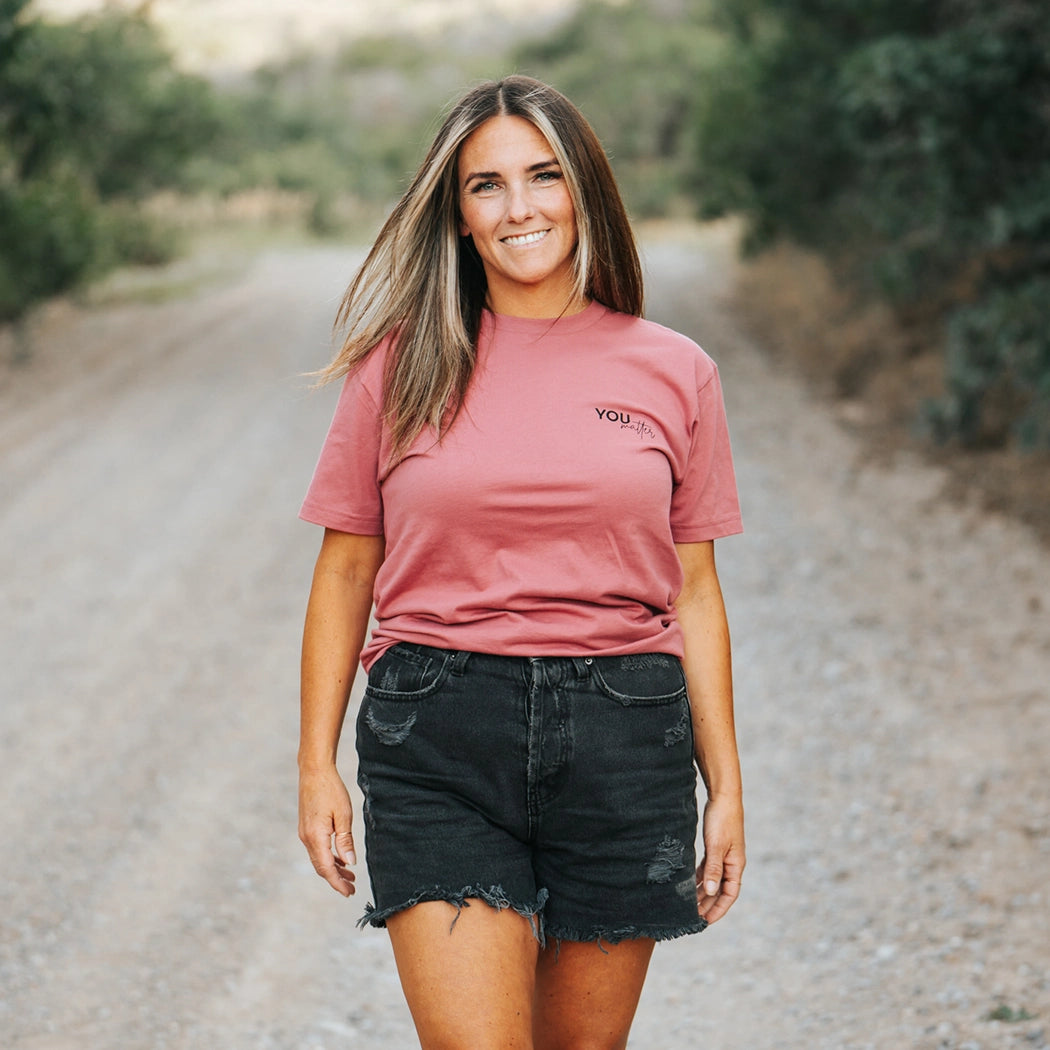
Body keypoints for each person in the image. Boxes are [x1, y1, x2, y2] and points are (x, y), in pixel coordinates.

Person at [297, 75, 744, 1050]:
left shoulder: (676, 371)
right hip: (439, 739)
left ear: (583, 189)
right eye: (485, 185)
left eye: (543, 176)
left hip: (627, 746)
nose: (520, 207)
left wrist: (727, 794)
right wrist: (314, 765)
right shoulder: (400, 366)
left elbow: (696, 594)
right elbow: (343, 574)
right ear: (457, 215)